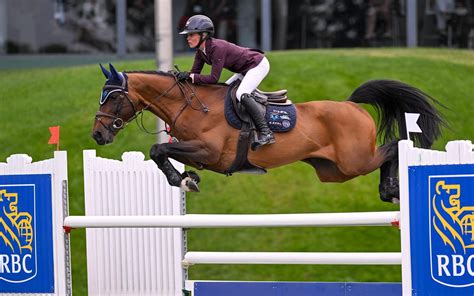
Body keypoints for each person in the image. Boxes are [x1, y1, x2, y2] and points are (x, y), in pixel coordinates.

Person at [176, 14, 275, 149]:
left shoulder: (217, 48)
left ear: (204, 34)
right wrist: (183, 77)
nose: (188, 38)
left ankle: (266, 132)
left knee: (241, 94)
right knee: (223, 92)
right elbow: (194, 75)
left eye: (191, 34)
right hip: (243, 69)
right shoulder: (201, 52)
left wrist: (190, 76)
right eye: (187, 35)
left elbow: (213, 79)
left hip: (257, 64)